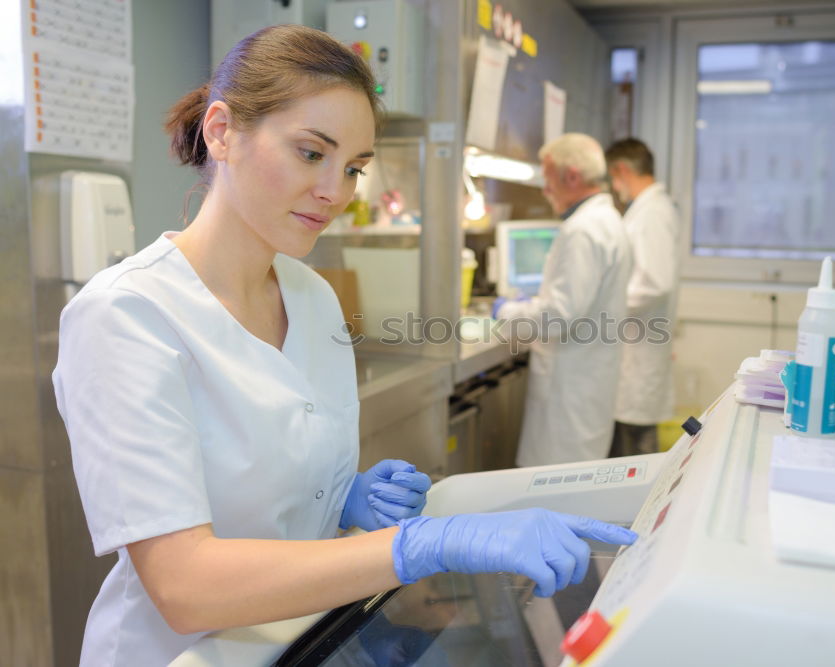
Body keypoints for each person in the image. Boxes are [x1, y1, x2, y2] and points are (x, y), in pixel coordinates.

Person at [52, 26, 636, 666]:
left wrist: (340, 495)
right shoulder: (126, 314)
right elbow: (183, 585)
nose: (337, 192)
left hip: (307, 639)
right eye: (311, 153)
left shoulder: (311, 296)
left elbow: (269, 473)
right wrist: (418, 546)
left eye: (355, 167)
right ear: (221, 132)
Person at [494, 133, 633, 467]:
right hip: (586, 381)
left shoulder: (582, 230)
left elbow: (558, 315)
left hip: (570, 390)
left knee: (556, 484)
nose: (545, 190)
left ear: (571, 176)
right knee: (574, 480)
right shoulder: (607, 220)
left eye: (548, 179)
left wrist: (508, 310)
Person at [605, 138, 681, 456]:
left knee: (635, 450)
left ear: (621, 170)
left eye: (612, 178)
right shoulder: (647, 210)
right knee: (633, 442)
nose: (614, 187)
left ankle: (641, 508)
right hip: (640, 344)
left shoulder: (650, 214)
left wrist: (607, 305)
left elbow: (655, 283)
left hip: (640, 348)